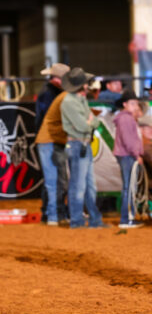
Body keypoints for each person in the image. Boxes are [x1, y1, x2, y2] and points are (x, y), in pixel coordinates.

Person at [60, 68, 107, 229]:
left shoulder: (77, 100)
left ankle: (92, 219)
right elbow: (83, 125)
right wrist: (90, 122)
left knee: (88, 185)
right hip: (77, 144)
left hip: (82, 144)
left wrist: (90, 122)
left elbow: (91, 122)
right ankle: (78, 220)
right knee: (79, 186)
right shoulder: (69, 102)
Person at [34, 63, 71, 226]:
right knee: (55, 180)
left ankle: (51, 213)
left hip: (51, 139)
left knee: (54, 179)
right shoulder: (50, 94)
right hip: (50, 139)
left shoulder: (50, 92)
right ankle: (52, 214)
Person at [113, 89, 145, 228]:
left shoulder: (125, 118)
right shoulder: (126, 118)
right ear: (125, 104)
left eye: (136, 104)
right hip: (128, 155)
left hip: (126, 155)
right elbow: (128, 140)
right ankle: (127, 218)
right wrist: (136, 154)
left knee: (130, 186)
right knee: (129, 187)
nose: (135, 106)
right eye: (132, 103)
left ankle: (128, 217)